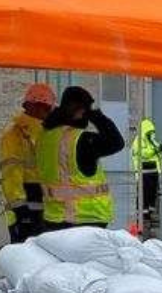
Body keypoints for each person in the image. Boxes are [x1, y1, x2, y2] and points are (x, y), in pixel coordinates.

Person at [35, 85, 123, 230]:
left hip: (53, 216)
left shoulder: (45, 136)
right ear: (79, 110)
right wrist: (97, 116)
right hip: (85, 218)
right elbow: (116, 142)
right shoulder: (79, 139)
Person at [0, 82, 56, 241]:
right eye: (45, 107)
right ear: (33, 106)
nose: (46, 112)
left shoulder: (47, 132)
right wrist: (19, 207)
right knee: (28, 258)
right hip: (25, 207)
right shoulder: (15, 132)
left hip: (43, 208)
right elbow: (11, 172)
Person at [130, 115, 162, 221]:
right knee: (143, 193)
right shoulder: (138, 141)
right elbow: (143, 154)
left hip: (153, 172)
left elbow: (157, 156)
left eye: (152, 132)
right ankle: (142, 213)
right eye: (150, 132)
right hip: (143, 172)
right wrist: (156, 150)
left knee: (152, 193)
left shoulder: (151, 141)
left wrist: (158, 148)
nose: (152, 134)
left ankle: (150, 212)